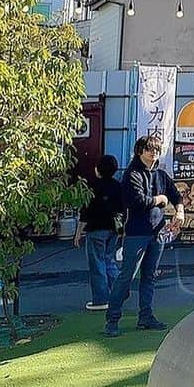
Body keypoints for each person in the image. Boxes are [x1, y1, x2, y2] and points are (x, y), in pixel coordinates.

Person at [104, 135, 184, 337]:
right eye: (149, 149)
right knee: (127, 276)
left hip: (157, 233)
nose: (154, 153)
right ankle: (112, 320)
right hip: (136, 233)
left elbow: (176, 195)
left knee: (149, 276)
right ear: (140, 151)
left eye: (157, 149)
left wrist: (180, 211)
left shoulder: (161, 174)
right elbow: (136, 200)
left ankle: (146, 317)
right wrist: (160, 199)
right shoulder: (132, 174)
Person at [73, 154, 124, 312]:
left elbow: (85, 212)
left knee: (97, 264)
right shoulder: (118, 186)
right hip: (114, 229)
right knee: (109, 261)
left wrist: (78, 233)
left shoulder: (92, 187)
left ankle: (101, 299)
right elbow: (123, 209)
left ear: (98, 169)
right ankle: (119, 293)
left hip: (96, 229)